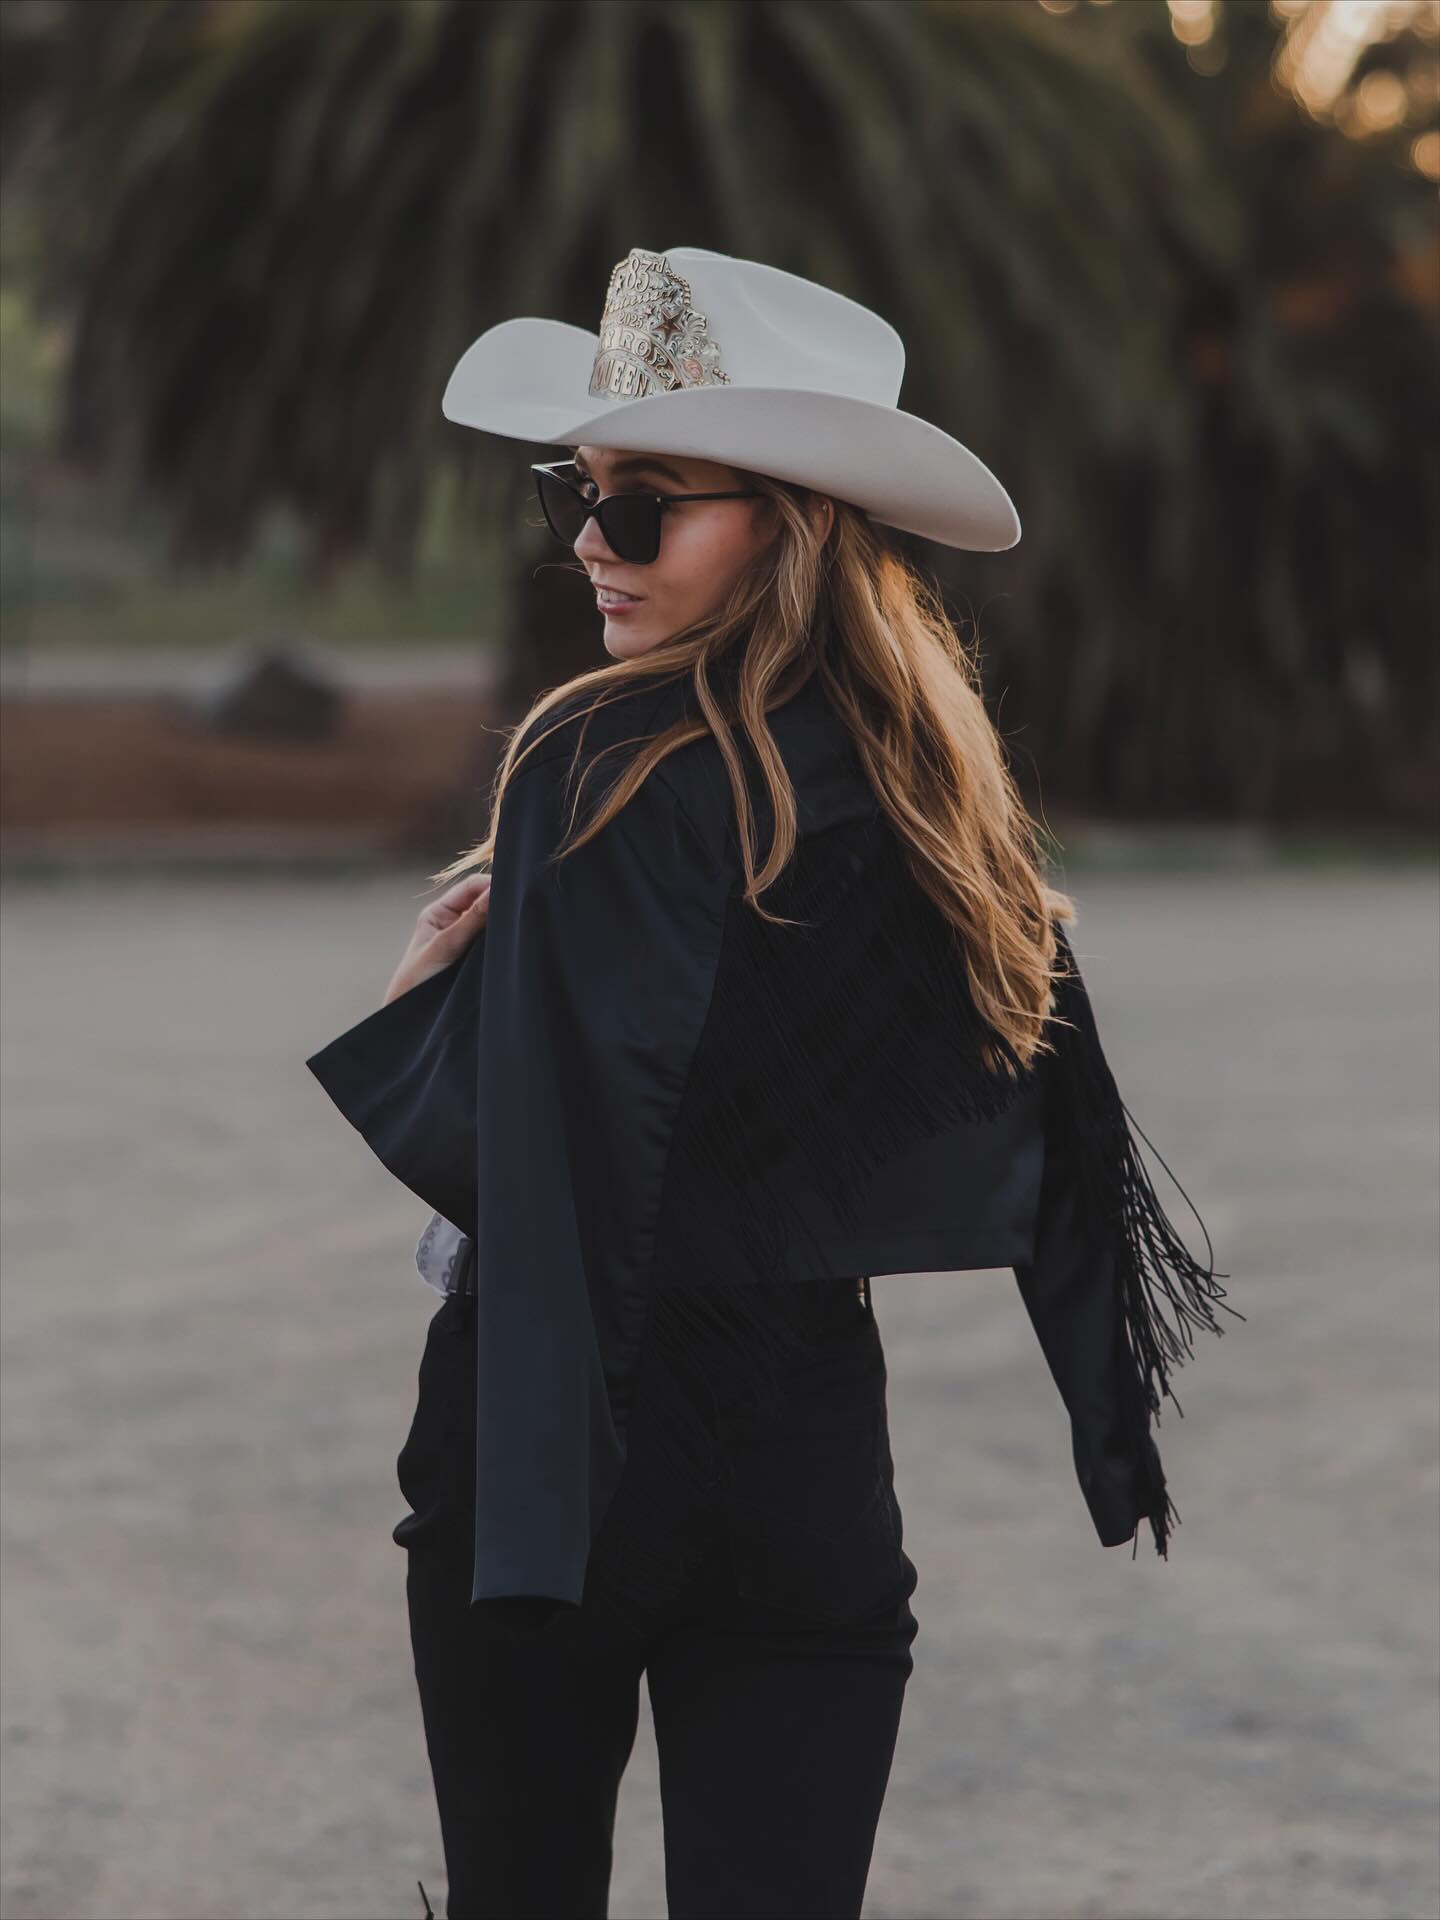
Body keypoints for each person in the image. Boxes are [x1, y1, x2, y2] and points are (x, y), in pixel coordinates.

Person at [305, 246, 1240, 1920]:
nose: (592, 541)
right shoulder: (938, 806)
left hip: (549, 1454)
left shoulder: (588, 766)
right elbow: (1019, 1117)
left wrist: (414, 1019)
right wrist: (1112, 1424)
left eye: (647, 503)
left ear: (793, 521)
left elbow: (529, 1172)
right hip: (801, 1446)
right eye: (574, 496)